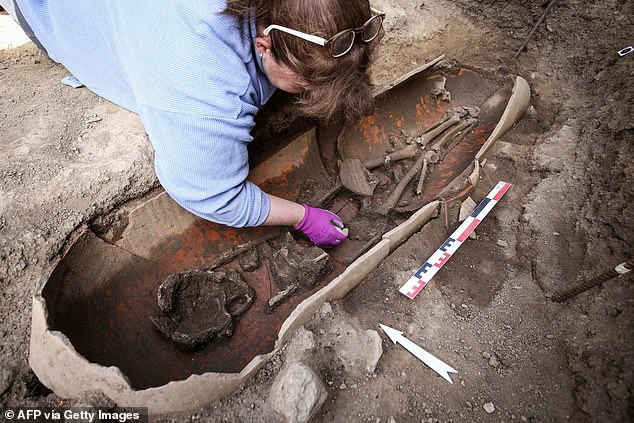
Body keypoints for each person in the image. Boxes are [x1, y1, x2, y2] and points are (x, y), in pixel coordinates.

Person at [2, 0, 382, 247]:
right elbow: (214, 195)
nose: (311, 95)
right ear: (263, 45)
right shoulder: (200, 79)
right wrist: (303, 216)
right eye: (308, 85)